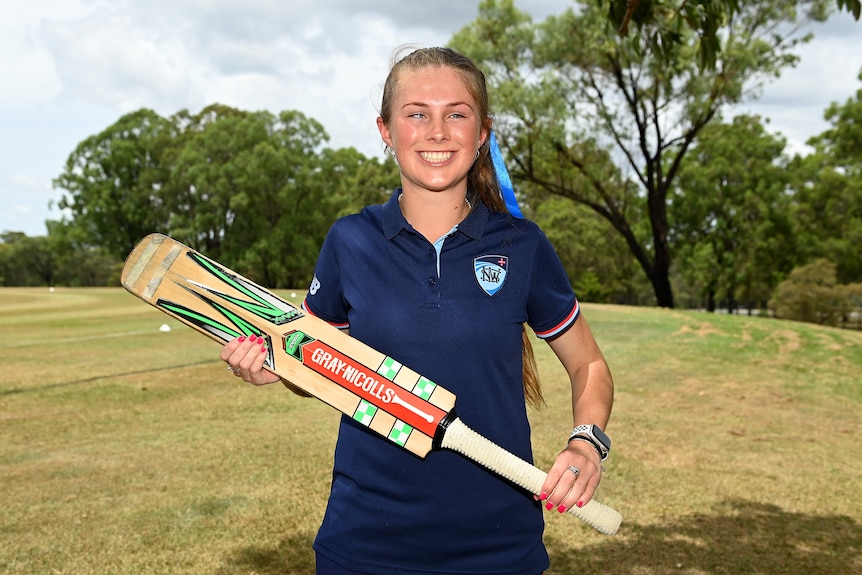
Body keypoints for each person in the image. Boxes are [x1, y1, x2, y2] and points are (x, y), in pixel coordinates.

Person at [221, 46, 614, 575]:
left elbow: (587, 364)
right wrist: (275, 367)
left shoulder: (522, 245)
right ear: (386, 130)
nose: (437, 132)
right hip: (364, 544)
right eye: (416, 114)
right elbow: (320, 365)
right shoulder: (350, 240)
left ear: (482, 134)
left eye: (456, 114)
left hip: (499, 547)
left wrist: (586, 442)